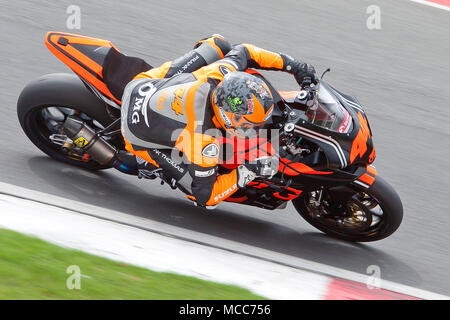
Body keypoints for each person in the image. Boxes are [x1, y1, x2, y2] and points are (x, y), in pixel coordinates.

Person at [120, 35, 316, 208]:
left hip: (144, 84)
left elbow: (245, 51)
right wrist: (248, 170)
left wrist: (293, 66)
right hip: (136, 131)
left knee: (219, 44)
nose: (258, 128)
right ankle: (147, 163)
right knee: (194, 185)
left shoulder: (220, 74)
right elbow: (207, 196)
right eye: (251, 125)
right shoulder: (204, 140)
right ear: (226, 116)